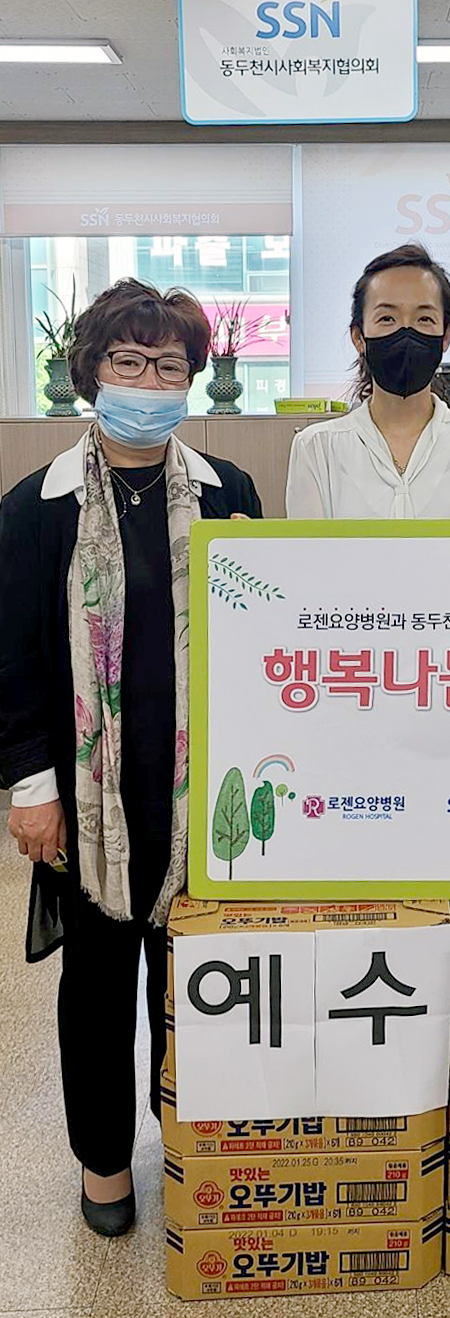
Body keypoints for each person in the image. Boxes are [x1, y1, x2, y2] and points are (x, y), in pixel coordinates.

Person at [0, 279, 262, 1237]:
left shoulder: (231, 493)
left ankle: (186, 1139)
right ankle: (104, 1160)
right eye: (129, 361)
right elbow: (12, 664)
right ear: (91, 371)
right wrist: (32, 789)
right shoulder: (36, 508)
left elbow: (264, 639)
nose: (149, 382)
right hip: (89, 791)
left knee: (196, 975)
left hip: (203, 782)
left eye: (169, 365)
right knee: (98, 985)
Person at [285, 244, 450, 519]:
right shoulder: (315, 448)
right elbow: (310, 547)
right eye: (387, 318)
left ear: (446, 336)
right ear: (359, 337)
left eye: (424, 318)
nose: (406, 331)